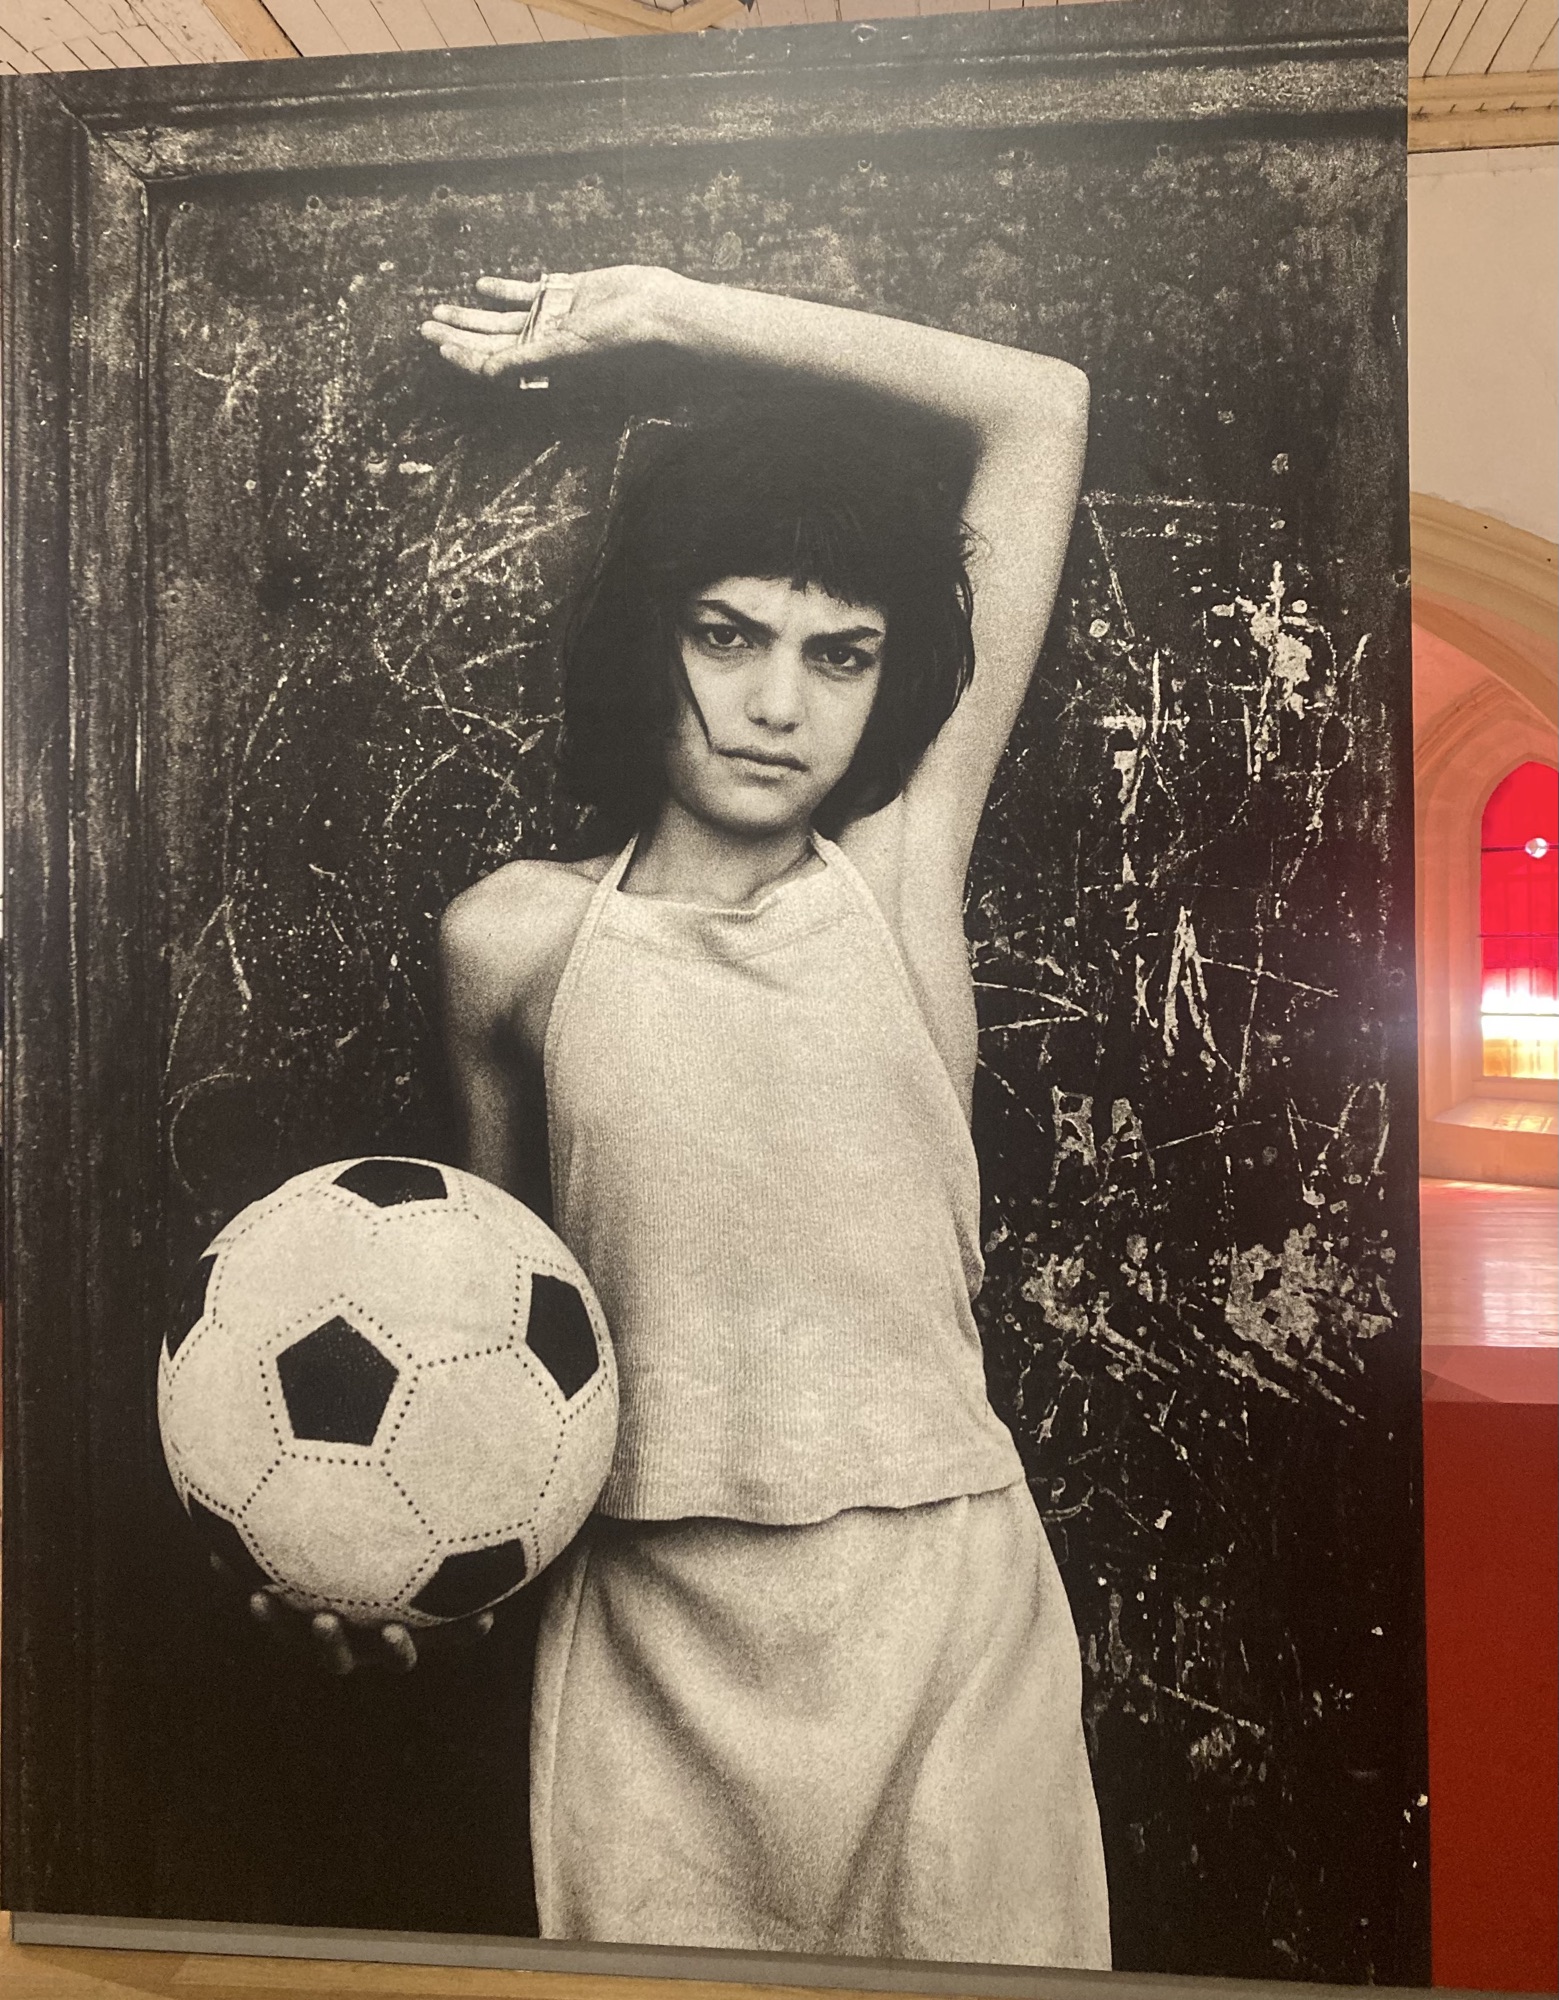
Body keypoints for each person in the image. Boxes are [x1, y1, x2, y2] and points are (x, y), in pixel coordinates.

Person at [413, 264, 1109, 1968]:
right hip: (648, 1639)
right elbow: (499, 1361)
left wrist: (665, 309)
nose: (777, 705)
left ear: (891, 678)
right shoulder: (514, 944)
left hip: (941, 1624)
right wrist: (388, 1561)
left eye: (839, 654)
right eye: (727, 635)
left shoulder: (896, 879)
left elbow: (1039, 405)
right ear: (652, 635)